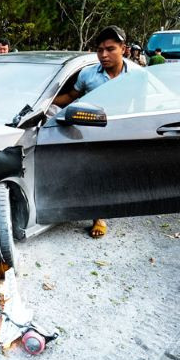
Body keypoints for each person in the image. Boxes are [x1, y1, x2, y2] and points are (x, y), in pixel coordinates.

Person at [53, 25, 139, 238]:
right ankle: (93, 214)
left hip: (120, 131)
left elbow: (144, 106)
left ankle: (101, 214)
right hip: (89, 130)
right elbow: (70, 97)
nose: (103, 55)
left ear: (124, 49)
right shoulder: (87, 74)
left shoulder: (137, 75)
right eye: (100, 50)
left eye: (110, 49)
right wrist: (43, 101)